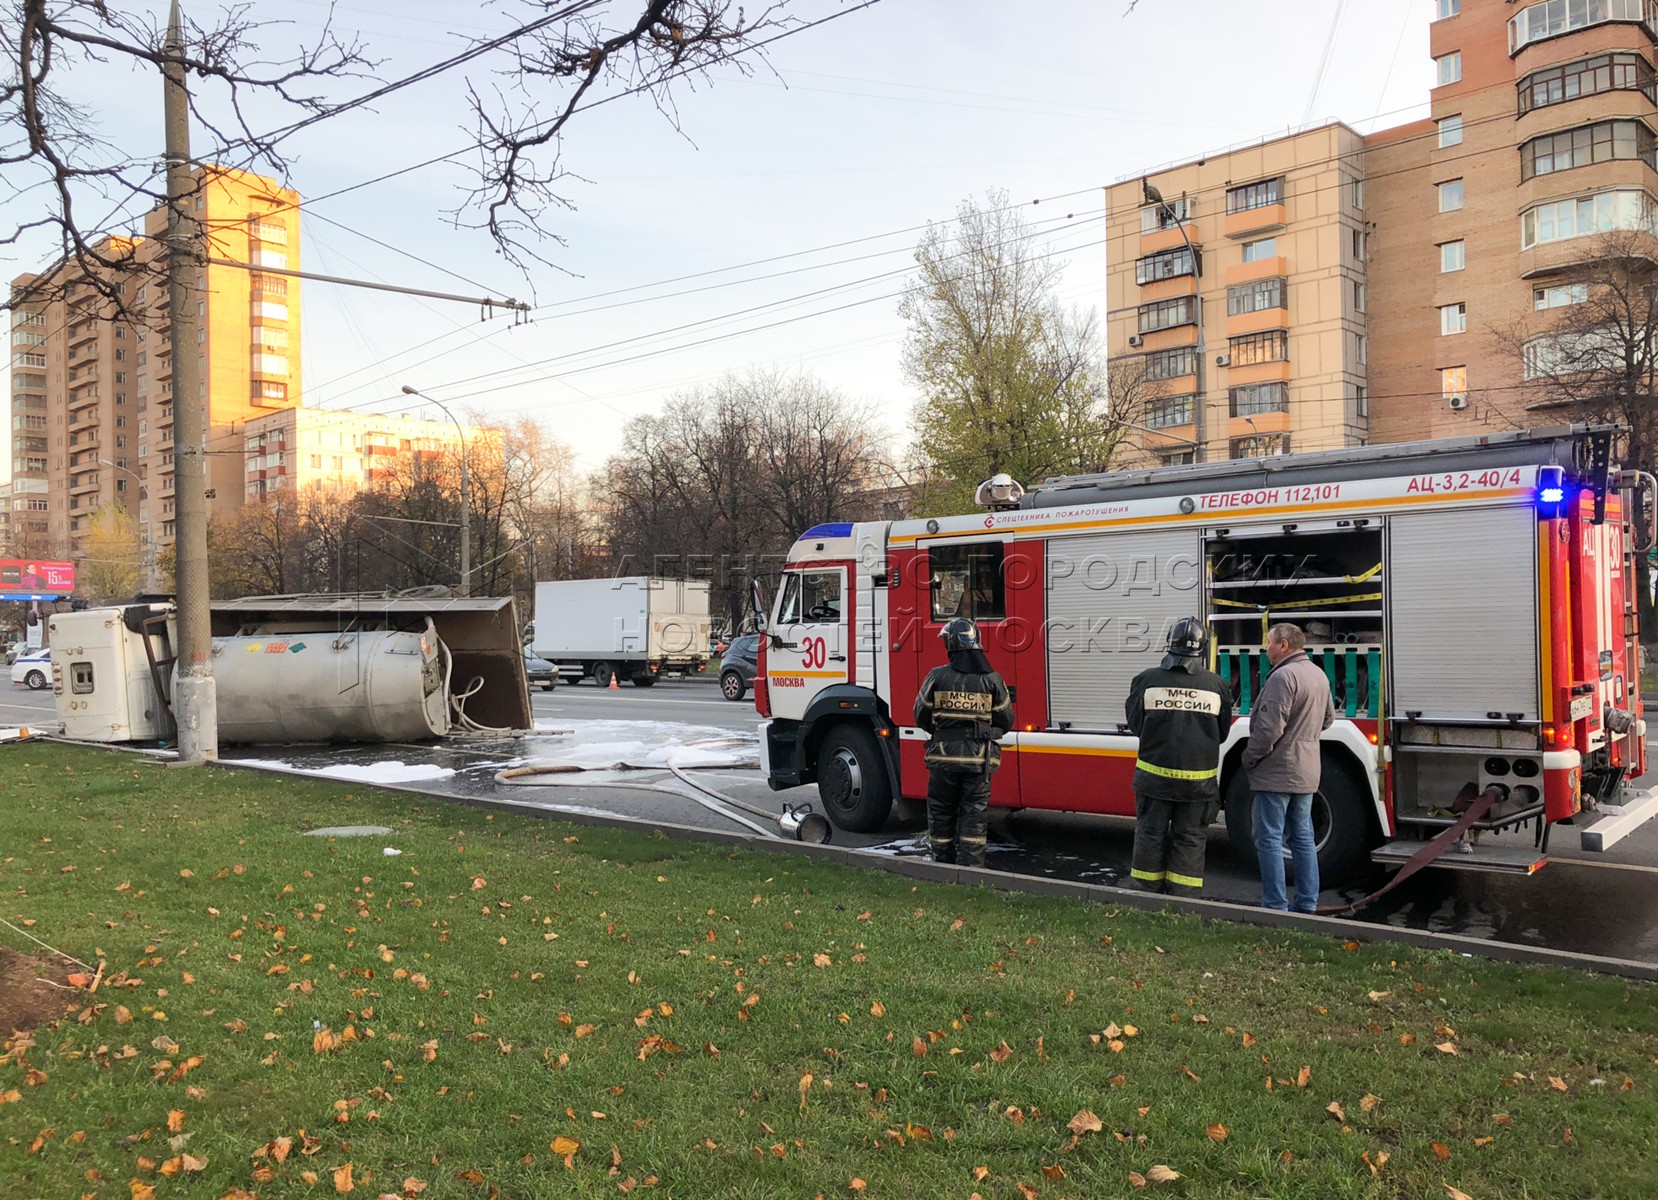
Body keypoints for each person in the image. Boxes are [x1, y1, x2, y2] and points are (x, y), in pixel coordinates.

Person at [1125, 618, 1234, 897]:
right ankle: (1184, 902)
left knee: (1149, 835)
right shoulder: (1217, 686)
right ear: (1202, 649)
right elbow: (1221, 733)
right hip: (1198, 786)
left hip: (1153, 781)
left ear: (1170, 645)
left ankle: (1145, 895)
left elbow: (1137, 725)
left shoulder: (1145, 681)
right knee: (1191, 839)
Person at [1244, 622, 1336, 913]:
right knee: (1303, 838)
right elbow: (1328, 719)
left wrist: (1250, 757)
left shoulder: (1283, 677)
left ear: (1284, 645)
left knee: (1269, 838)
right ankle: (1307, 904)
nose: (1266, 647)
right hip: (1307, 772)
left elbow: (1268, 730)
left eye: (1269, 642)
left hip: (1277, 773)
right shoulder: (1318, 674)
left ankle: (1275, 905)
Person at [913, 617, 1013, 867]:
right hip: (979, 761)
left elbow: (920, 714)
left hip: (943, 759)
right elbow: (1006, 719)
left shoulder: (936, 676)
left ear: (951, 644)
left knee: (940, 811)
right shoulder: (992, 679)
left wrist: (942, 731)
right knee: (974, 815)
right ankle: (971, 869)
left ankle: (941, 864)